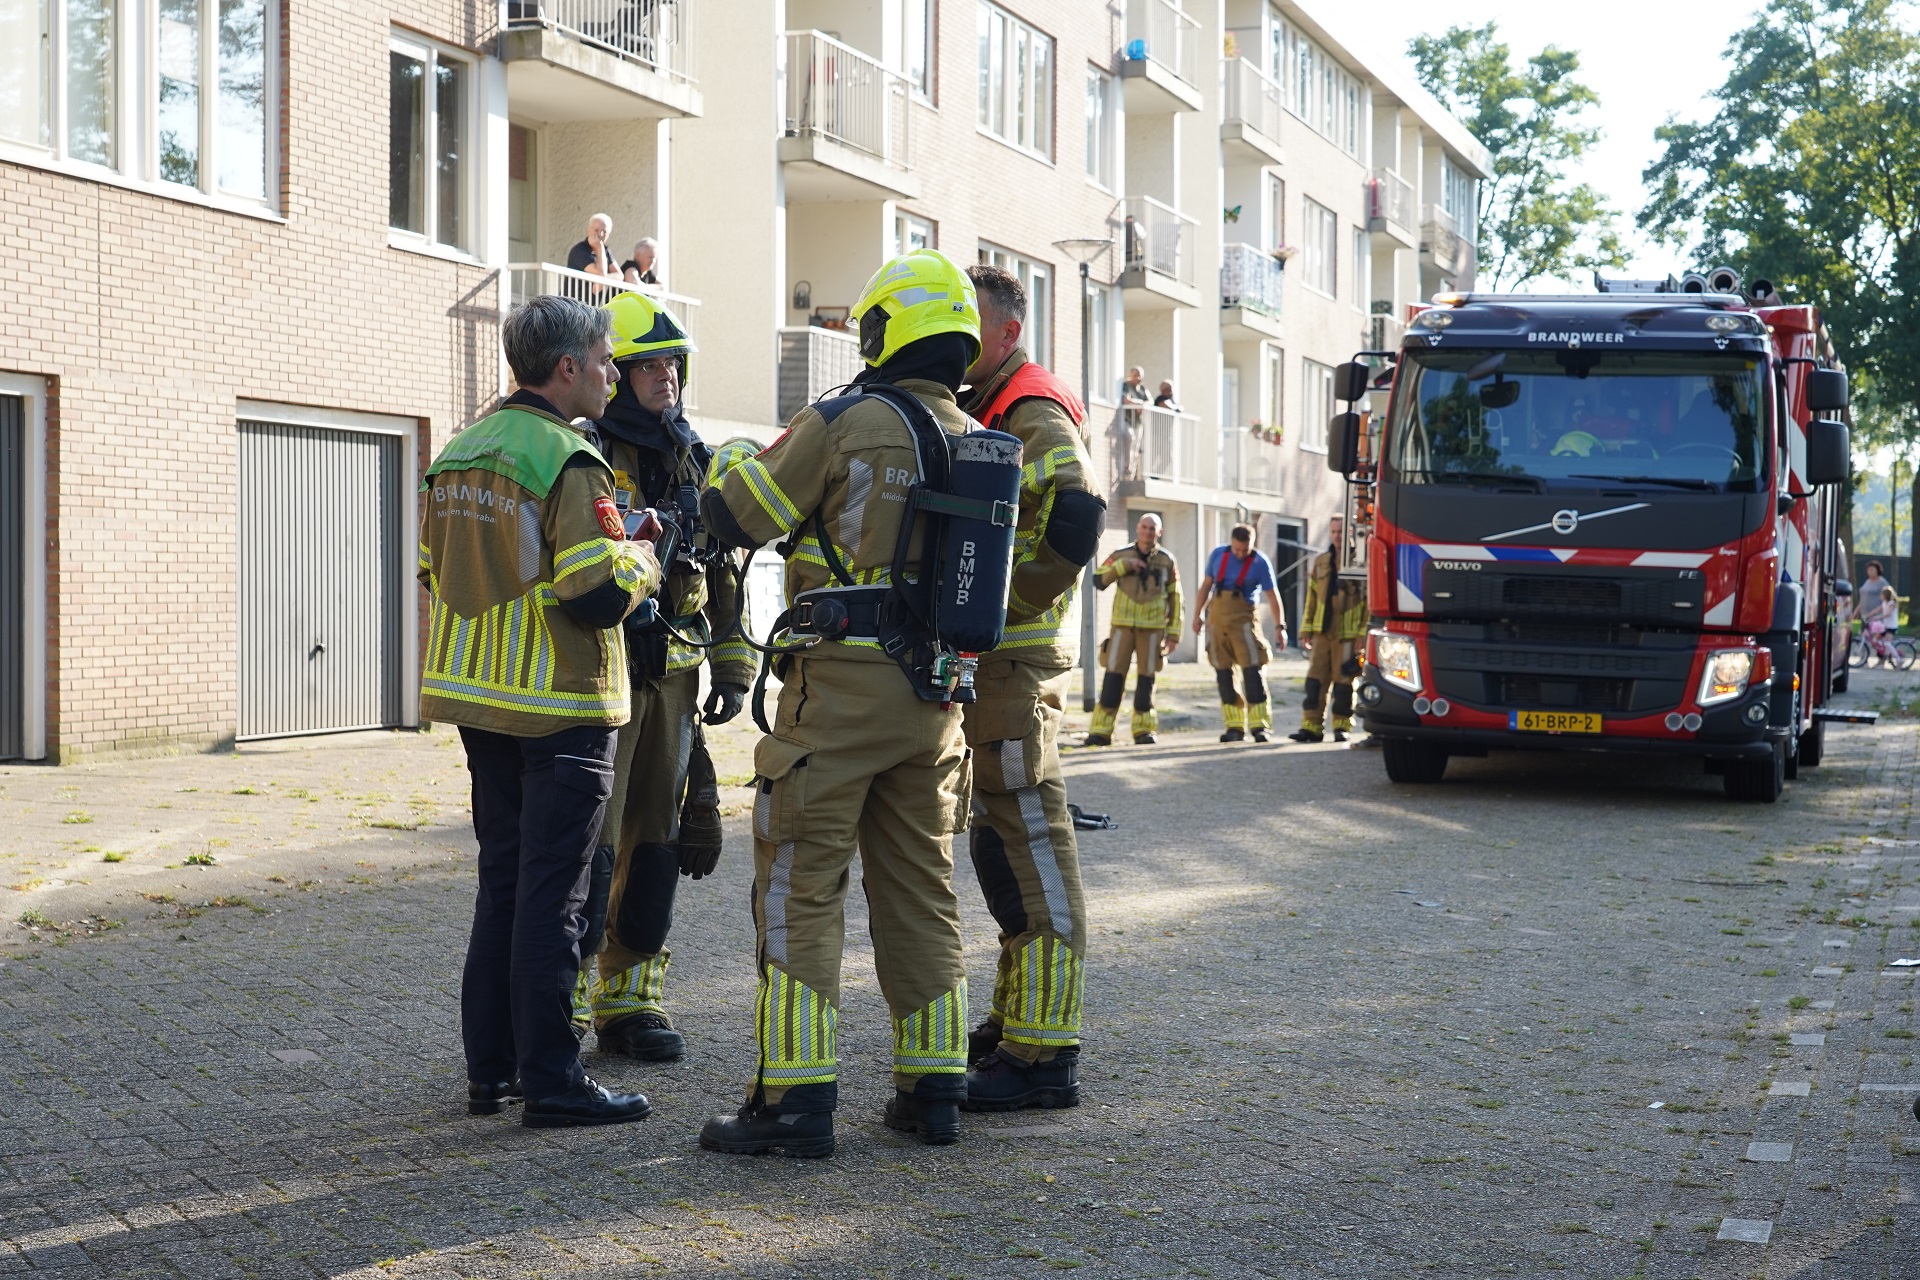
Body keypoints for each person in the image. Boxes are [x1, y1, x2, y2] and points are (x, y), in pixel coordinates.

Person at [695, 248, 981, 1157]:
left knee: (799, 888)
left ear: (884, 331)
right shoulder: (975, 440)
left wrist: (740, 450)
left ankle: (794, 1103)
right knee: (921, 891)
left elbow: (739, 515)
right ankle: (933, 1090)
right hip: (934, 699)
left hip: (841, 688)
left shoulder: (850, 419)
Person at [420, 295, 660, 1128]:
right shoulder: (570, 460)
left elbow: (432, 568)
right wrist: (642, 555)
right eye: (604, 361)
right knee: (553, 898)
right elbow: (595, 593)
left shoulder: (458, 449)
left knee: (503, 885)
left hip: (477, 700)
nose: (613, 374)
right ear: (567, 368)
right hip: (560, 705)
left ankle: (493, 1073)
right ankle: (554, 1082)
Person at [576, 291, 755, 1062]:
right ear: (615, 374)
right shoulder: (582, 452)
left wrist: (734, 666)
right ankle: (568, 1000)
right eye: (647, 366)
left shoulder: (696, 458)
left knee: (656, 845)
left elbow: (722, 577)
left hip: (675, 686)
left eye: (672, 364)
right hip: (600, 679)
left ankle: (631, 1002)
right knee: (593, 846)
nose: (665, 378)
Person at [956, 264, 1106, 1111]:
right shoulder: (990, 401)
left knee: (1034, 851)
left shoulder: (1030, 408)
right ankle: (1018, 1019)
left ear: (1009, 333)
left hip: (1013, 667)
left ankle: (1044, 1056)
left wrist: (1004, 599)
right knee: (1002, 849)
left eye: (968, 323)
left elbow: (1075, 513)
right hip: (992, 669)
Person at [1085, 513, 1182, 746]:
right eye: (1145, 527)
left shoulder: (1167, 560)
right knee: (1112, 679)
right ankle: (1100, 731)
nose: (1148, 532)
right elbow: (1098, 580)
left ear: (1159, 533)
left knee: (1146, 682)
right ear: (1138, 528)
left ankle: (1143, 731)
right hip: (1122, 627)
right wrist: (1123, 566)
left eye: (1153, 529)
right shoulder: (1120, 554)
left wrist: (1174, 633)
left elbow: (1176, 598)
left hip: (1153, 629)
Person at [1190, 524, 1287, 742]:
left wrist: (1280, 626)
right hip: (1217, 622)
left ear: (1253, 544)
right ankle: (1234, 727)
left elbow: (1273, 596)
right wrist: (1198, 614)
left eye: (1245, 550)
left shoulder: (1260, 562)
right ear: (1231, 542)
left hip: (1244, 623)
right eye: (1237, 549)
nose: (1241, 554)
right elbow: (1206, 587)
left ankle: (1260, 726)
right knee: (1223, 674)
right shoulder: (1218, 554)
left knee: (1253, 673)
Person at [1290, 515, 1369, 744]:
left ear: (1351, 533)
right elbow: (1311, 598)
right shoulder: (1321, 561)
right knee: (1315, 681)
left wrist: (1363, 633)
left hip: (1348, 635)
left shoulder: (1361, 562)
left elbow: (1370, 602)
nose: (1337, 536)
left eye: (1341, 532)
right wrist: (1306, 630)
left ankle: (1341, 727)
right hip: (1322, 632)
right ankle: (1311, 727)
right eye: (1333, 532)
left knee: (1344, 682)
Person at [566, 214, 620, 297]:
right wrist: (599, 249)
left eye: (604, 231)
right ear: (589, 230)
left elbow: (619, 275)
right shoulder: (579, 250)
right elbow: (600, 273)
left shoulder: (605, 250)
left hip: (590, 306)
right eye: (596, 230)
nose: (600, 234)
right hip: (571, 304)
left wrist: (603, 279)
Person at [1115, 367, 1150, 482]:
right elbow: (1125, 399)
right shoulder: (1126, 385)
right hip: (1126, 419)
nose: (1138, 378)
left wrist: (1142, 405)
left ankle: (1131, 475)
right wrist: (1139, 404)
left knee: (1136, 449)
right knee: (1129, 438)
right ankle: (1126, 467)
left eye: (1140, 375)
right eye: (1135, 375)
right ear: (1130, 375)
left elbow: (1150, 401)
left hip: (1137, 423)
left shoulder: (1143, 389)